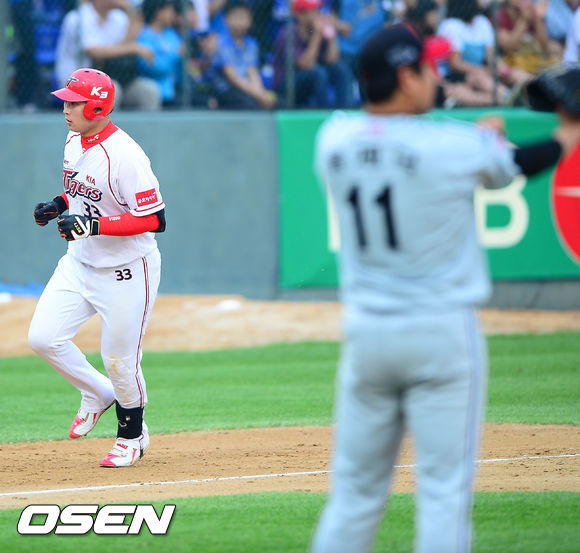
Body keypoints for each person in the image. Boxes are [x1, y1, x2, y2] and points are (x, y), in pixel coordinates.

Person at [310, 25, 580, 553]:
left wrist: (481, 138)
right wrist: (568, 131)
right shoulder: (454, 147)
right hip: (439, 333)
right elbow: (521, 163)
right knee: (442, 495)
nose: (436, 76)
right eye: (428, 68)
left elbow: (407, 142)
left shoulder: (333, 139)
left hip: (367, 337)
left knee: (354, 496)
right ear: (406, 78)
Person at [29, 68, 166, 468]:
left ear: (96, 107)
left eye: (73, 102)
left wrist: (93, 225)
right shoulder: (74, 139)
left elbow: (155, 218)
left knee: (120, 360)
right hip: (79, 263)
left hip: (127, 270)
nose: (65, 108)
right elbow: (82, 191)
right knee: (43, 338)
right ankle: (97, 393)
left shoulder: (126, 156)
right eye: (65, 101)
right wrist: (58, 205)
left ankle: (132, 436)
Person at [54, 0, 161, 110]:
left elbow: (123, 46)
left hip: (112, 76)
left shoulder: (118, 17)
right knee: (112, 91)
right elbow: (95, 53)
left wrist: (131, 13)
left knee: (149, 91)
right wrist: (133, 48)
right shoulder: (78, 17)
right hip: (78, 81)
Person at [272, 0, 355, 108]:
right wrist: (317, 34)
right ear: (300, 16)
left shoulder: (319, 30)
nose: (318, 14)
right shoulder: (288, 34)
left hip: (313, 77)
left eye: (318, 10)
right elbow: (305, 64)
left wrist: (331, 33)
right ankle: (324, 113)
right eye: (312, 11)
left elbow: (332, 60)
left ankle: (346, 110)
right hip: (288, 84)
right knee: (318, 73)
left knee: (341, 69)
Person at [211, 0, 278, 109]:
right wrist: (259, 95)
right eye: (237, 17)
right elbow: (233, 77)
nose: (240, 21)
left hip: (247, 88)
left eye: (244, 17)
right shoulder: (220, 43)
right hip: (226, 90)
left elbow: (252, 71)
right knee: (250, 104)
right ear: (226, 19)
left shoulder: (251, 43)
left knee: (277, 102)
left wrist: (261, 92)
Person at [138, 0, 184, 106]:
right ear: (158, 11)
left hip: (177, 89)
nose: (173, 14)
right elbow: (152, 66)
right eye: (169, 10)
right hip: (158, 93)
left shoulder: (172, 34)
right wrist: (176, 55)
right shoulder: (144, 35)